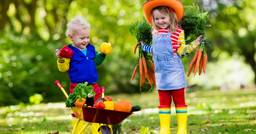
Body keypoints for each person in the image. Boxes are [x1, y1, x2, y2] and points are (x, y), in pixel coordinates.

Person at [142, 0, 203, 134]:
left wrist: (195, 43)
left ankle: (182, 128)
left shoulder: (177, 33)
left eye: (163, 18)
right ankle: (165, 128)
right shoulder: (154, 33)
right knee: (163, 103)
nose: (160, 21)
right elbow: (154, 51)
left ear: (171, 17)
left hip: (175, 74)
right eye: (156, 19)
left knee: (179, 102)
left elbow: (182, 51)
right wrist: (143, 46)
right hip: (161, 76)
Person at [56, 16, 112, 102]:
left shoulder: (90, 48)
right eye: (82, 38)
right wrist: (61, 58)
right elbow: (63, 68)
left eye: (87, 37)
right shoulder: (67, 51)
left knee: (98, 102)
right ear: (71, 37)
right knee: (81, 104)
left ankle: (99, 112)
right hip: (77, 87)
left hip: (93, 85)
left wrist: (103, 53)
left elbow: (96, 62)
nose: (86, 40)